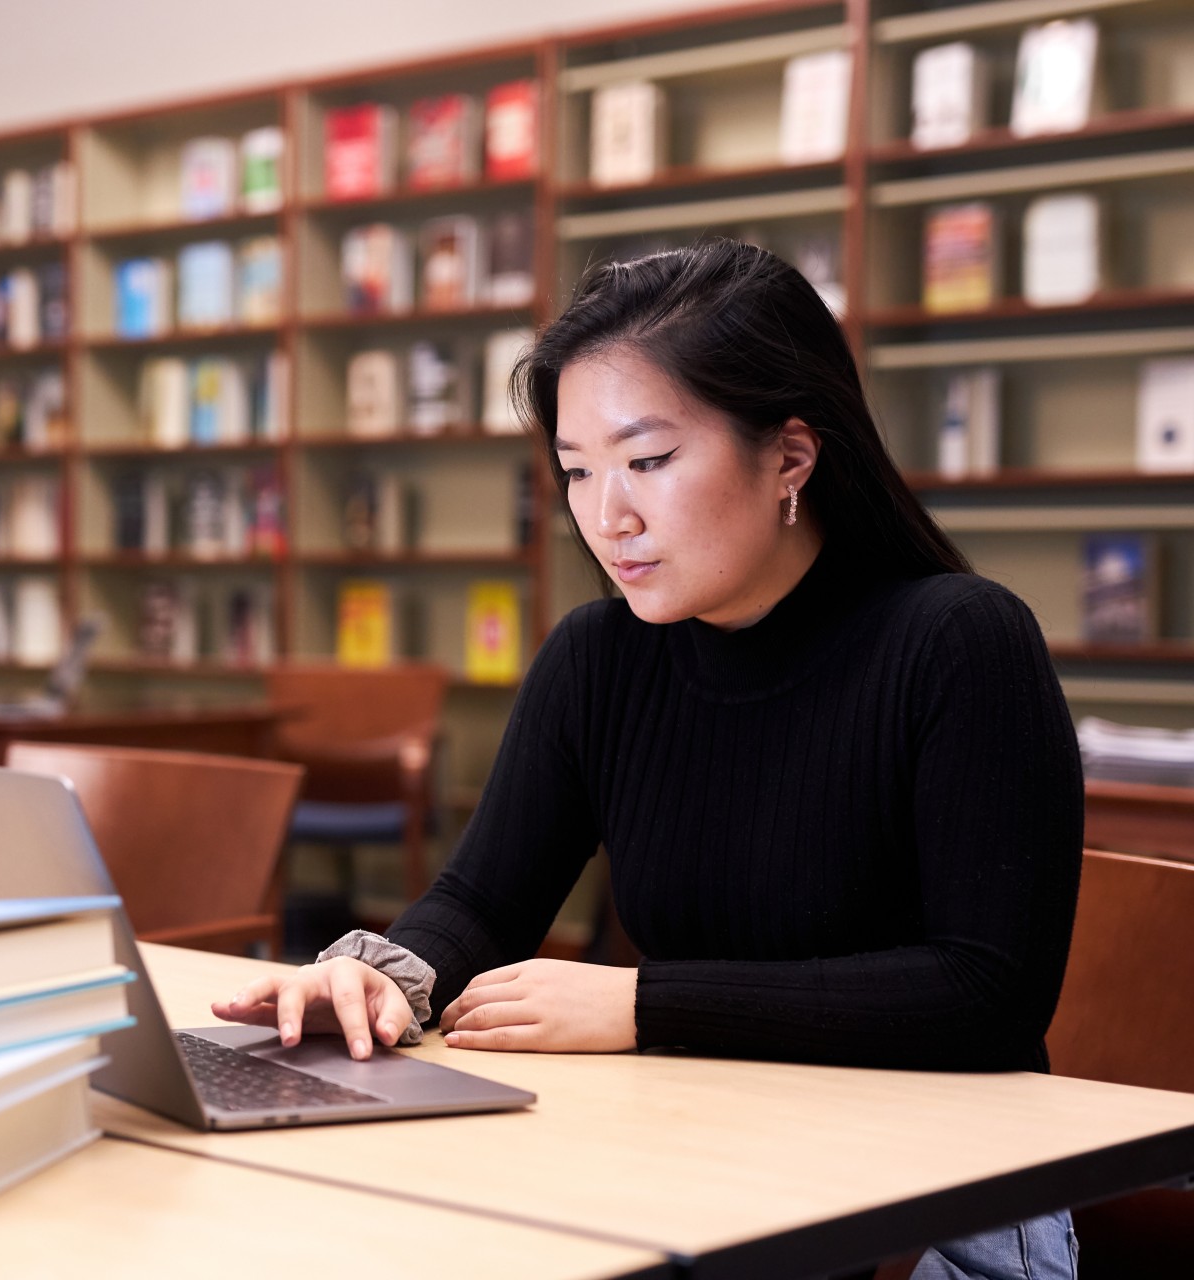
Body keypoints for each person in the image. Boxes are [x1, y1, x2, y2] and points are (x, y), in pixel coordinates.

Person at [211, 241, 1081, 1279]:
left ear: (791, 457)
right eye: (578, 471)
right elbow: (483, 898)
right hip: (708, 1159)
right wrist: (381, 972)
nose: (607, 515)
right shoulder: (599, 655)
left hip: (940, 1193)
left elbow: (986, 993)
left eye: (650, 460)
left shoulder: (958, 640)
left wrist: (639, 1001)